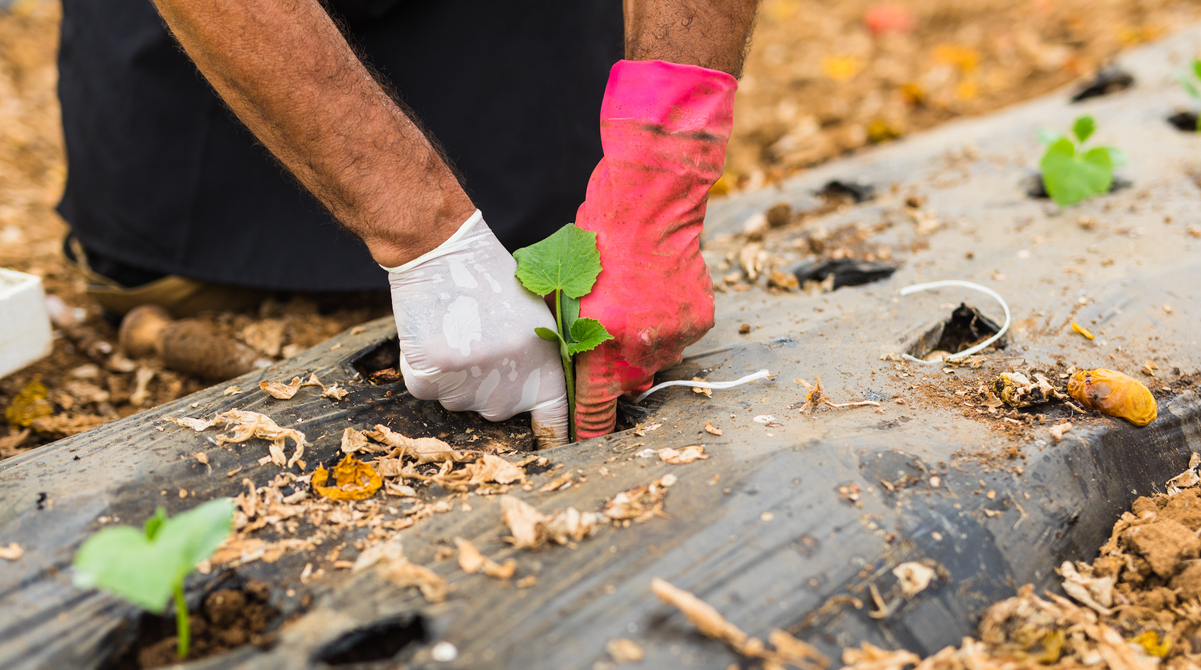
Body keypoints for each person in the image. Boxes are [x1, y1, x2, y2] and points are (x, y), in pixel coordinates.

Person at [57, 0, 760, 444]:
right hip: (227, 75)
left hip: (503, 44)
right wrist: (428, 240)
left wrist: (656, 184)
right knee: (174, 260)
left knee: (542, 228)